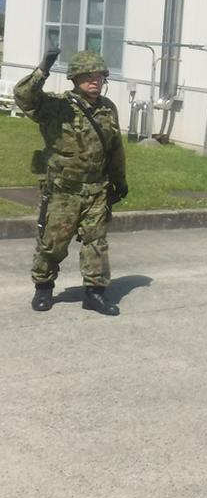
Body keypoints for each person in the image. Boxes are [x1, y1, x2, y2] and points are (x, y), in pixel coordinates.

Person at [15, 48, 128, 316]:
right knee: (53, 243)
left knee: (96, 243)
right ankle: (43, 288)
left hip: (96, 190)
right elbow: (24, 98)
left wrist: (119, 181)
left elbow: (115, 149)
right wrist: (42, 70)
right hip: (63, 191)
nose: (94, 81)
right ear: (74, 78)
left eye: (99, 76)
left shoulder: (107, 109)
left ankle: (94, 293)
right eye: (87, 76)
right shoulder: (57, 107)